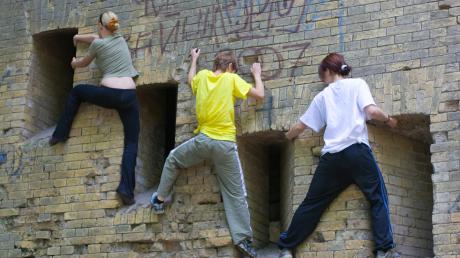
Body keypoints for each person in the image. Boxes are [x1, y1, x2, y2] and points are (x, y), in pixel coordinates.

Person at [278, 53, 400, 258]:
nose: (322, 79)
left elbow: (301, 126)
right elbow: (371, 110)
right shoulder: (357, 84)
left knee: (312, 203)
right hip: (357, 152)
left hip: (332, 158)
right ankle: (383, 250)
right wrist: (388, 120)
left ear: (328, 70)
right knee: (378, 197)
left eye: (321, 74)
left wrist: (286, 137)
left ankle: (286, 248)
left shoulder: (322, 97)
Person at [150, 49, 264, 258]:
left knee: (173, 158)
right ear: (230, 67)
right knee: (235, 193)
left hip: (202, 141)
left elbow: (190, 78)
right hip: (225, 145)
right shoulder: (231, 78)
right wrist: (256, 74)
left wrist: (193, 59)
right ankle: (243, 241)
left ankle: (159, 199)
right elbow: (259, 96)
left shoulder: (202, 76)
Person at [49, 11, 140, 206]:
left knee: (77, 92)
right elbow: (96, 38)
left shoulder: (98, 45)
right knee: (131, 143)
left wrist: (74, 63)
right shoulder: (120, 39)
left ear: (100, 25)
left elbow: (83, 63)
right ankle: (126, 191)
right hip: (130, 96)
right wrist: (78, 37)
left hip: (111, 94)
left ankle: (60, 134)